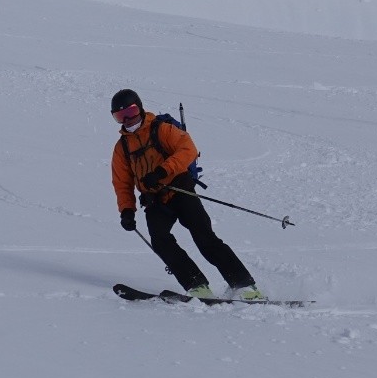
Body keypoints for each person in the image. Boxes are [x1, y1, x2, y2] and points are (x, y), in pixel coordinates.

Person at [109, 88, 264, 300]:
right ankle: (197, 285)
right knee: (161, 241)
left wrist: (163, 171)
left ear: (141, 108)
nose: (127, 119)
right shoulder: (122, 148)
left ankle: (244, 286)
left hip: (180, 190)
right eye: (120, 116)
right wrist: (126, 210)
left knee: (205, 238)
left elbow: (188, 148)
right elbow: (122, 182)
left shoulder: (161, 129)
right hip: (154, 200)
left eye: (131, 112)